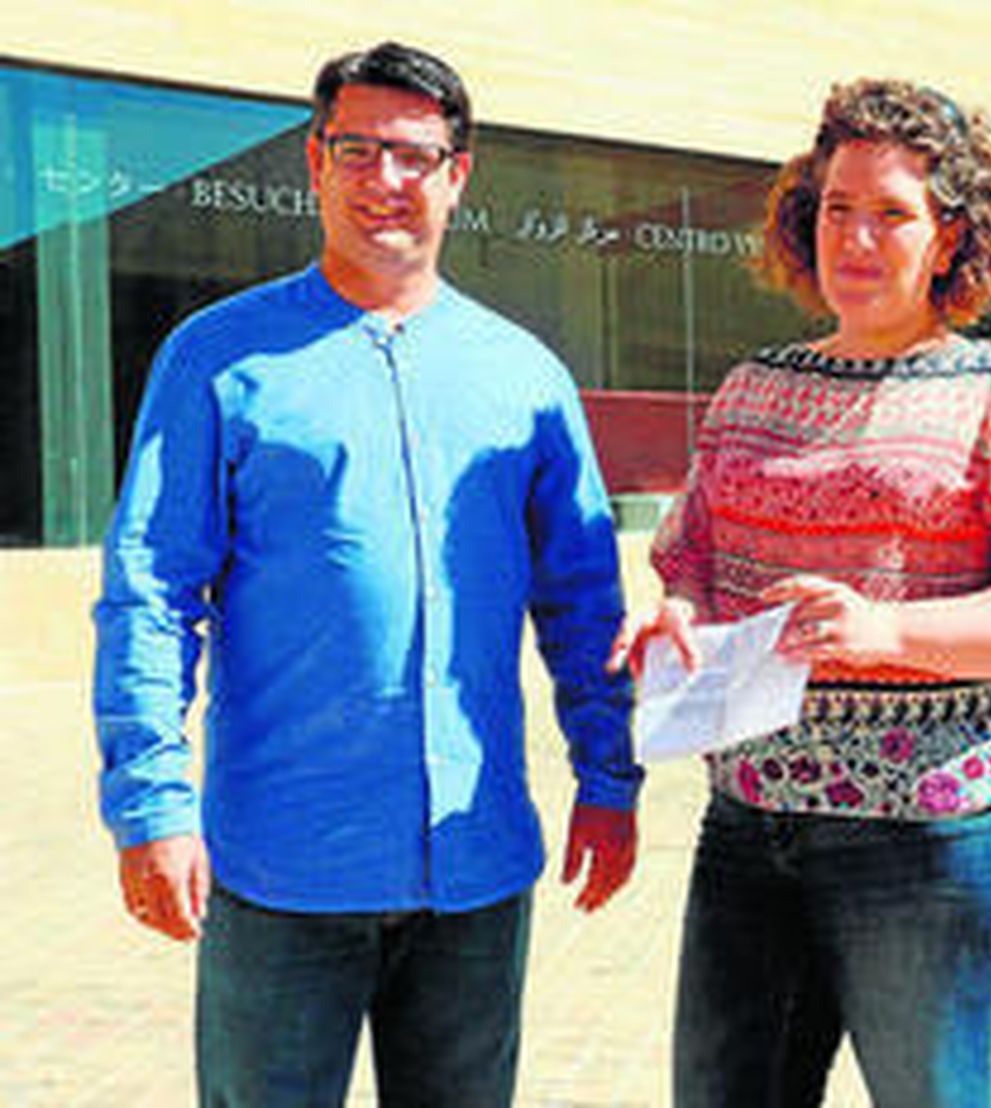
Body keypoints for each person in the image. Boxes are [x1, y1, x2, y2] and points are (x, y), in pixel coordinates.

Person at [93, 42, 643, 1107]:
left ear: (458, 175)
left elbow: (583, 604)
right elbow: (149, 592)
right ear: (313, 162)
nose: (385, 179)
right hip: (281, 866)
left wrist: (608, 779)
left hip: (475, 868)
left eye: (413, 153)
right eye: (357, 150)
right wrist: (151, 805)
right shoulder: (218, 358)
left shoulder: (523, 378)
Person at [610, 79, 991, 1107]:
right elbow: (694, 555)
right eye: (838, 207)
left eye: (892, 213)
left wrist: (888, 627)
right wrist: (683, 617)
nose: (857, 237)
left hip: (938, 826)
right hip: (752, 819)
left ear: (950, 237)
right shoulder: (755, 388)